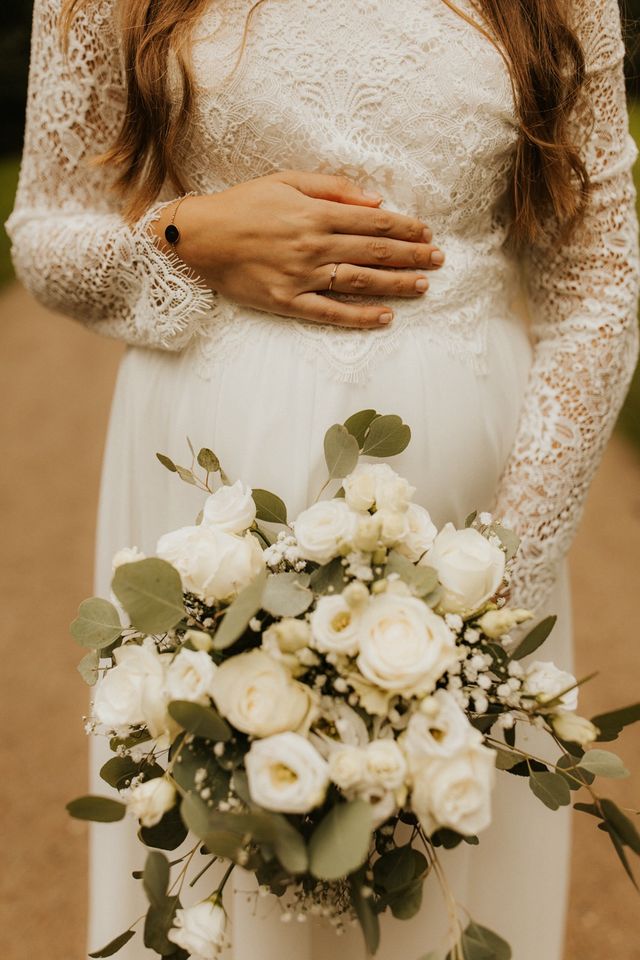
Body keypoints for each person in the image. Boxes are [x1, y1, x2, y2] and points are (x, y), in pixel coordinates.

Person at [6, 0, 639, 957]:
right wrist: (189, 235)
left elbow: (596, 282)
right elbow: (46, 232)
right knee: (217, 865)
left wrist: (495, 581)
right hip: (205, 488)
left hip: (462, 503)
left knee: (432, 867)